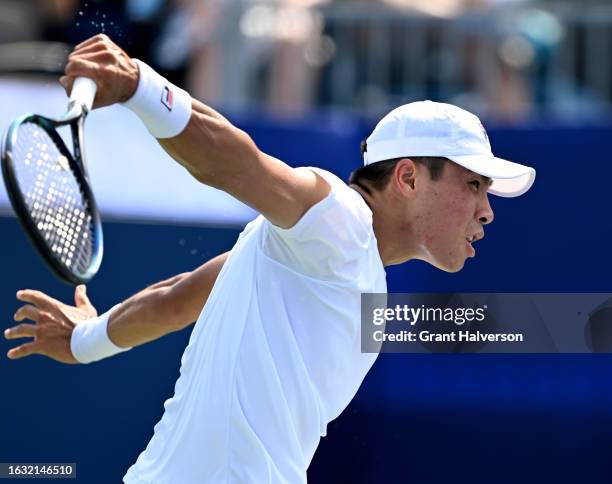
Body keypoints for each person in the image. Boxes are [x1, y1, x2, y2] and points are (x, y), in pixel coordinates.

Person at [3, 34, 535, 483]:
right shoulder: (340, 222)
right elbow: (238, 165)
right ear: (409, 178)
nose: (487, 211)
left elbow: (180, 293)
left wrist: (84, 341)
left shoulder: (320, 260)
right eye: (473, 185)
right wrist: (142, 86)